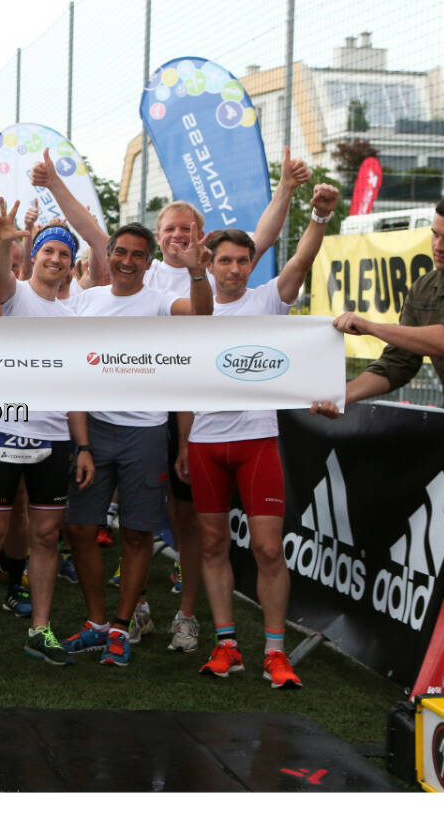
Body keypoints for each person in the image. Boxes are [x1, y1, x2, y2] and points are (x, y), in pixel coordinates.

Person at [133, 150, 309, 640]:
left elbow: (264, 239)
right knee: (145, 516)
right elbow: (96, 243)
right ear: (158, 232)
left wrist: (286, 190)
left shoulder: (213, 275)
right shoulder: (141, 271)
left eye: (188, 229)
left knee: (195, 524)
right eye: (170, 227)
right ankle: (138, 607)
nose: (178, 236)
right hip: (152, 407)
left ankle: (188, 616)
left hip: (205, 415)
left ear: (200, 238)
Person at [178, 183, 341, 690]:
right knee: (211, 543)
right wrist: (184, 443)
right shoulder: (191, 306)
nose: (234, 269)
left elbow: (299, 261)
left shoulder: (269, 299)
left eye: (242, 261)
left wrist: (318, 216)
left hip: (257, 439)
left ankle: (274, 650)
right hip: (206, 441)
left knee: (270, 550)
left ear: (252, 263)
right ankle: (227, 643)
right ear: (212, 264)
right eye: (224, 260)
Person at [61, 222, 212, 668]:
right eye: (120, 253)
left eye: (137, 255)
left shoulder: (162, 301)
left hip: (145, 431)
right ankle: (97, 623)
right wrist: (83, 443)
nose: (127, 262)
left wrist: (199, 272)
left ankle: (123, 629)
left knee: (137, 532)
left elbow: (202, 314)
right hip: (93, 430)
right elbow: (67, 367)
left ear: (149, 262)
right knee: (81, 529)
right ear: (107, 255)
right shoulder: (84, 301)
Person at [0, 204, 95, 668]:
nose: (55, 259)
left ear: (72, 263)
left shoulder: (74, 316)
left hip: (54, 437)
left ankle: (40, 630)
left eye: (63, 253)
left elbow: (75, 388)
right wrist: (2, 241)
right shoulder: (15, 294)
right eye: (48, 251)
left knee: (44, 534)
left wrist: (82, 446)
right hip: (4, 427)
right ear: (33, 256)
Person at [315, 190, 444, 416]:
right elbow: (399, 362)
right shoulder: (424, 288)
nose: (438, 246)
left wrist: (371, 327)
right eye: (435, 234)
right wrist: (342, 396)